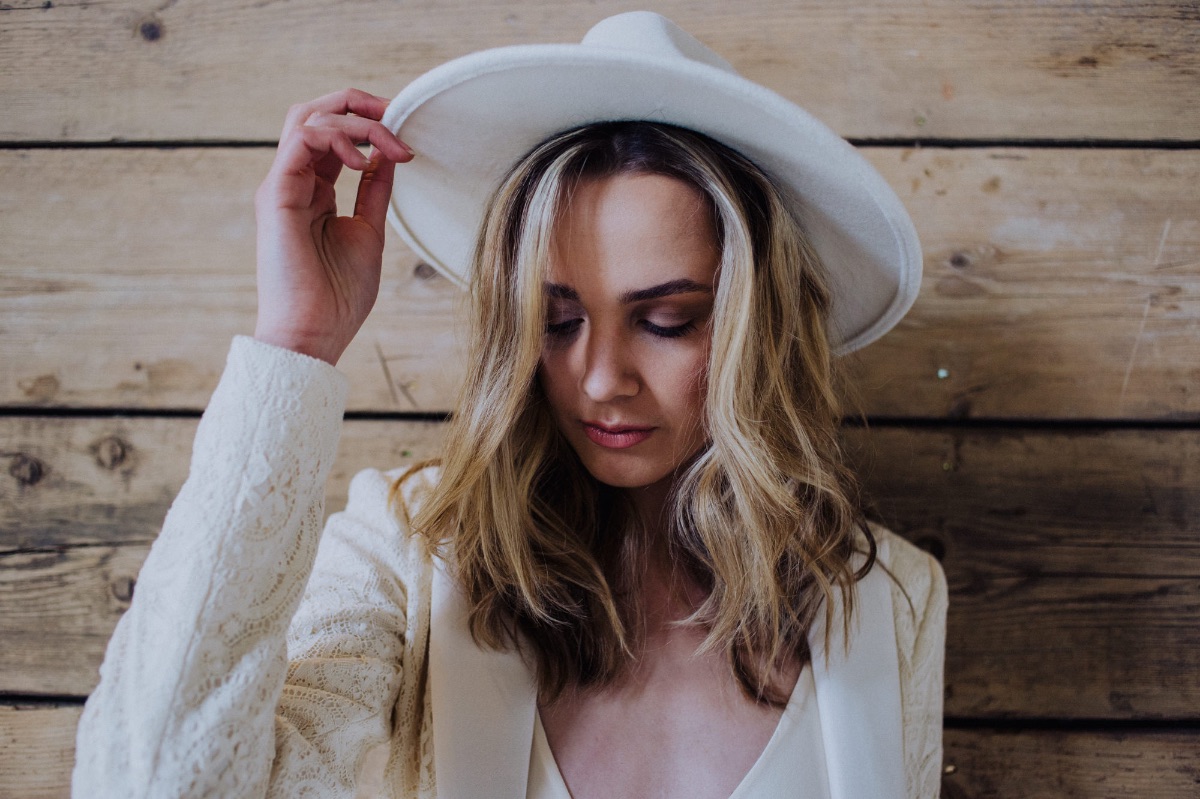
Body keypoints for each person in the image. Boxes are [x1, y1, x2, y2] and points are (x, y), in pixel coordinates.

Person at [73, 11, 945, 799]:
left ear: (760, 325)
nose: (600, 378)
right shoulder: (404, 553)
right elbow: (150, 782)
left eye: (667, 320)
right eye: (557, 320)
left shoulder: (894, 598)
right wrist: (296, 345)